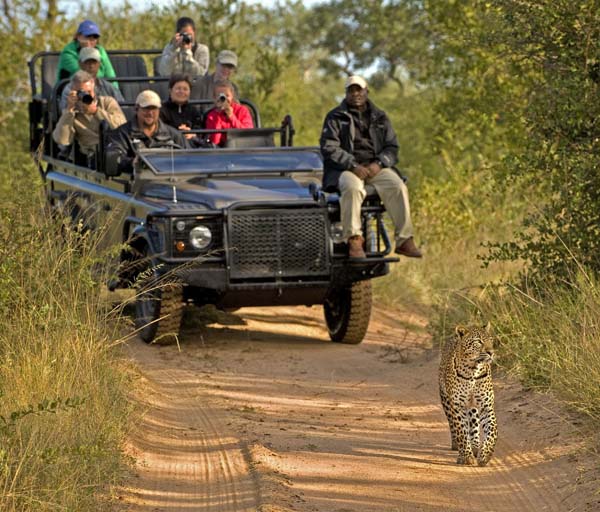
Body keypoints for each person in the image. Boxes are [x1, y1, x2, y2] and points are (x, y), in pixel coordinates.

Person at [320, 75, 422, 259]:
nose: (355, 94)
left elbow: (392, 147)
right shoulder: (335, 116)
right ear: (346, 93)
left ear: (367, 91)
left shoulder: (380, 116)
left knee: (398, 186)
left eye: (359, 89)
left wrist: (380, 163)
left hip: (375, 167)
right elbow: (329, 148)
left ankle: (404, 240)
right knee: (352, 188)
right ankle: (354, 240)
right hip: (346, 169)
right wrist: (352, 165)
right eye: (351, 90)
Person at [52, 70, 126, 167]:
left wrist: (96, 112)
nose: (86, 95)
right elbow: (62, 140)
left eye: (88, 92)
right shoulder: (73, 113)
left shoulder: (107, 102)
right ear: (74, 91)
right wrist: (69, 110)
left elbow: (122, 126)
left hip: (115, 150)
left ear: (93, 87)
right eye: (82, 92)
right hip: (92, 157)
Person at [106, 90, 189, 174]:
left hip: (170, 182)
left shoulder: (174, 135)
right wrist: (133, 163)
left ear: (159, 110)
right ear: (136, 109)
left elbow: (189, 158)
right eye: (146, 108)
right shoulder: (122, 134)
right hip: (135, 184)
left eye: (154, 109)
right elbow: (114, 159)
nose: (150, 113)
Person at [60, 47, 124, 111]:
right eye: (87, 62)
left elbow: (123, 109)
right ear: (80, 64)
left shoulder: (109, 88)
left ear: (99, 64)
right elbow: (64, 114)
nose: (91, 66)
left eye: (94, 62)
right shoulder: (70, 89)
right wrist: (70, 107)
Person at [204, 80, 253, 147]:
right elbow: (214, 141)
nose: (224, 99)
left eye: (227, 95)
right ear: (214, 97)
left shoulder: (242, 110)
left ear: (232, 96)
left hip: (241, 147)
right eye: (220, 95)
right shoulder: (211, 116)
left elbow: (247, 134)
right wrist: (218, 115)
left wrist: (232, 117)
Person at [160, 73, 203, 140]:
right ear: (170, 90)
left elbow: (200, 131)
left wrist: (192, 133)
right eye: (178, 88)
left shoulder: (194, 111)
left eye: (185, 89)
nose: (181, 92)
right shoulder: (162, 110)